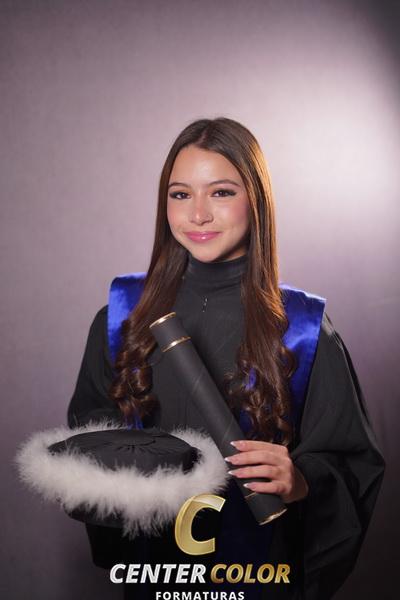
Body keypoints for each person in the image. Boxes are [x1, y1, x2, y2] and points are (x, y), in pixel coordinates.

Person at [67, 117, 385, 599]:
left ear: (256, 200)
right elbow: (88, 438)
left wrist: (300, 480)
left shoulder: (302, 329)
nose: (198, 214)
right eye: (180, 194)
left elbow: (351, 464)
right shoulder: (123, 317)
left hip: (257, 577)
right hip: (158, 577)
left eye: (220, 192)